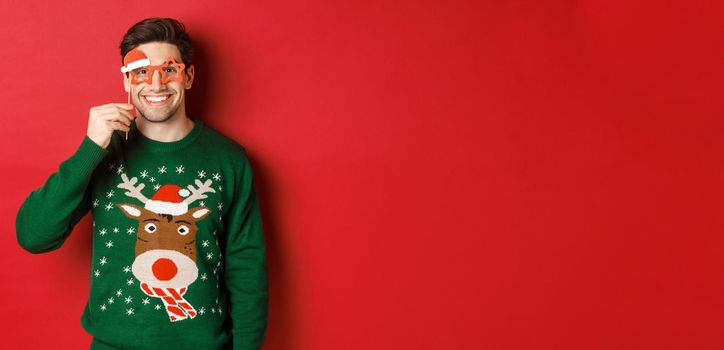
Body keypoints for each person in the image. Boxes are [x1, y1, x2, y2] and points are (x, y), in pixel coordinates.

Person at [15, 17, 268, 349]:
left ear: (188, 77)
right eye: (141, 72)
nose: (156, 83)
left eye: (169, 69)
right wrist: (90, 150)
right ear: (127, 82)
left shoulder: (228, 159)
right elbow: (34, 236)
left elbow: (246, 266)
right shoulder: (103, 151)